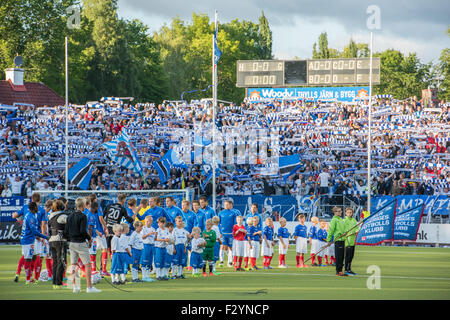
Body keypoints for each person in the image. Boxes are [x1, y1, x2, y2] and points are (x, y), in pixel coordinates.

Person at [64, 197, 101, 292]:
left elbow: (66, 232)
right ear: (83, 205)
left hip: (72, 243)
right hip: (80, 242)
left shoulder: (69, 216)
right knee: (88, 265)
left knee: (73, 265)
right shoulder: (83, 216)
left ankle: (75, 287)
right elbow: (82, 231)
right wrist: (89, 239)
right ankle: (89, 287)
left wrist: (70, 239)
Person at [20, 202, 48, 285]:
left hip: (30, 240)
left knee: (34, 257)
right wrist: (44, 237)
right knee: (28, 259)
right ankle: (28, 279)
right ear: (34, 208)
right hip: (27, 240)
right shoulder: (31, 217)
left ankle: (31, 277)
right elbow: (34, 231)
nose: (38, 209)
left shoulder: (31, 215)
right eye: (37, 207)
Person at [48, 200, 69, 289]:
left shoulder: (50, 216)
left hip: (51, 240)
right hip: (60, 240)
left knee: (56, 262)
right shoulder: (63, 216)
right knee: (62, 262)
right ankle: (59, 283)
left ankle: (55, 282)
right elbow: (69, 225)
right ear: (62, 207)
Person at [326, 206, 347, 277]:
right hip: (338, 240)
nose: (340, 212)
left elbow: (342, 229)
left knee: (342, 257)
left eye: (341, 211)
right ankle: (338, 271)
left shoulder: (341, 219)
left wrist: (344, 232)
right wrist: (328, 240)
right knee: (338, 256)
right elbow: (331, 230)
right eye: (339, 211)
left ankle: (341, 270)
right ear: (335, 212)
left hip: (343, 239)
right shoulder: (334, 220)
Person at [218, 200, 237, 267]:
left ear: (230, 205)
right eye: (225, 204)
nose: (226, 205)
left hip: (231, 233)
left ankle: (230, 262)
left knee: (231, 247)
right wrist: (219, 232)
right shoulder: (221, 213)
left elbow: (235, 223)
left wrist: (234, 232)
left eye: (227, 204)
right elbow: (218, 224)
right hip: (223, 233)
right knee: (223, 247)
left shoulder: (233, 213)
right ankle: (221, 261)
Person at [154, 216, 170, 281]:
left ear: (164, 223)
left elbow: (168, 237)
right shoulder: (158, 230)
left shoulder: (166, 229)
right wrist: (164, 240)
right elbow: (157, 238)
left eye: (160, 223)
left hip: (164, 247)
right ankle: (158, 275)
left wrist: (168, 240)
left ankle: (163, 275)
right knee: (158, 261)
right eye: (158, 223)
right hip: (158, 247)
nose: (159, 224)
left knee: (163, 261)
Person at [343, 207, 359, 275]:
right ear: (345, 213)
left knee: (351, 256)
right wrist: (345, 233)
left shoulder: (354, 220)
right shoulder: (344, 221)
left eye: (350, 212)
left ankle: (349, 269)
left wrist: (356, 231)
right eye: (348, 212)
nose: (349, 214)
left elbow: (356, 228)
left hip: (353, 240)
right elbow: (343, 230)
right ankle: (346, 269)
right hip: (347, 240)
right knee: (348, 256)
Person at [141, 216, 156, 282]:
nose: (147, 223)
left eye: (148, 221)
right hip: (145, 245)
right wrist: (149, 234)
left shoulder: (153, 229)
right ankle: (144, 276)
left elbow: (155, 239)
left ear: (151, 222)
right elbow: (142, 237)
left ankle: (148, 276)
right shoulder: (143, 228)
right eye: (146, 221)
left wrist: (156, 235)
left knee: (149, 261)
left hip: (151, 245)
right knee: (144, 261)